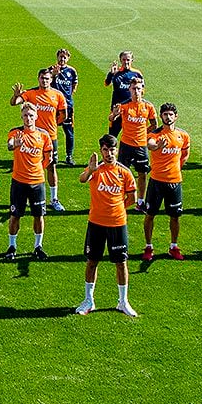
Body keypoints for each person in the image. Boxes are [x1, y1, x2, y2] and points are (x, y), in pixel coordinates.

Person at [76, 134, 139, 317]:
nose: (109, 153)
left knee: (121, 263)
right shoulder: (96, 169)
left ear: (117, 150)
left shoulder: (125, 172)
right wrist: (90, 170)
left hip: (117, 224)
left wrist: (117, 208)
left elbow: (132, 198)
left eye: (112, 150)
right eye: (105, 150)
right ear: (101, 151)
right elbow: (82, 179)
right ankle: (89, 300)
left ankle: (123, 301)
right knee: (92, 261)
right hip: (95, 223)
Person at [11, 68, 68, 210]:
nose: (45, 81)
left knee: (51, 167)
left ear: (51, 79)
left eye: (47, 78)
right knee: (27, 165)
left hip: (50, 136)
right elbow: (15, 102)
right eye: (42, 78)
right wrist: (16, 96)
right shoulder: (31, 93)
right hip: (32, 136)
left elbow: (63, 115)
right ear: (38, 79)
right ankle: (28, 197)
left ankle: (54, 199)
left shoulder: (58, 95)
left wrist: (54, 125)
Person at [5, 103, 55, 260]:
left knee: (39, 216)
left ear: (36, 116)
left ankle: (38, 246)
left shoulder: (44, 135)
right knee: (15, 216)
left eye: (31, 115)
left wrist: (38, 170)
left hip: (37, 183)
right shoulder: (16, 133)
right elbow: (10, 145)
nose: (28, 118)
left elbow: (48, 159)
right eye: (25, 115)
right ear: (21, 116)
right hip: (18, 182)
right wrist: (15, 145)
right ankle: (12, 246)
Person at [141, 103, 190, 261]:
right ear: (161, 116)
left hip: (175, 182)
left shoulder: (183, 135)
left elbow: (185, 153)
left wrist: (177, 168)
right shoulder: (155, 134)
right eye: (165, 114)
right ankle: (148, 247)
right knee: (150, 215)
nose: (168, 117)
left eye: (170, 114)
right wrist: (156, 147)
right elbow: (150, 145)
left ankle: (173, 247)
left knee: (175, 216)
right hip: (156, 182)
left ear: (176, 116)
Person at [110, 78, 158, 213]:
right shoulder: (124, 105)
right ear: (129, 90)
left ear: (143, 90)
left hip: (141, 146)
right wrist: (114, 114)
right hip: (126, 144)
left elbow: (154, 124)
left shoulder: (148, 106)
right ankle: (119, 200)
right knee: (120, 174)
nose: (136, 91)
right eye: (133, 88)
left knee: (142, 173)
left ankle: (140, 202)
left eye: (138, 88)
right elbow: (111, 119)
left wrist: (144, 134)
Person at [50, 49, 80, 166]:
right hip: (53, 106)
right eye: (60, 57)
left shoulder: (72, 71)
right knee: (51, 130)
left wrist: (67, 97)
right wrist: (54, 75)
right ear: (57, 57)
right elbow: (46, 84)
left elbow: (74, 85)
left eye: (64, 57)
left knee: (69, 132)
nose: (62, 59)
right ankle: (52, 154)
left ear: (68, 58)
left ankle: (69, 156)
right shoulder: (51, 69)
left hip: (67, 106)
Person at [103, 51, 143, 137]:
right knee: (112, 135)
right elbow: (106, 83)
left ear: (132, 60)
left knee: (132, 135)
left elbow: (141, 92)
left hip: (131, 110)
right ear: (120, 60)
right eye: (123, 60)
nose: (126, 62)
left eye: (128, 59)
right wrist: (111, 74)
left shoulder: (137, 74)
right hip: (117, 109)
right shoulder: (116, 73)